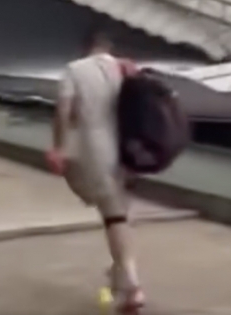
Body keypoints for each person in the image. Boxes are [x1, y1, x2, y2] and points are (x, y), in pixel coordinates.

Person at [47, 31, 145, 311]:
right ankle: (118, 274)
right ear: (108, 48)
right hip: (131, 151)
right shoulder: (126, 69)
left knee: (114, 218)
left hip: (95, 150)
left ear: (85, 47)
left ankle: (132, 286)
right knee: (119, 214)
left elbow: (63, 112)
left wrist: (58, 147)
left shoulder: (74, 69)